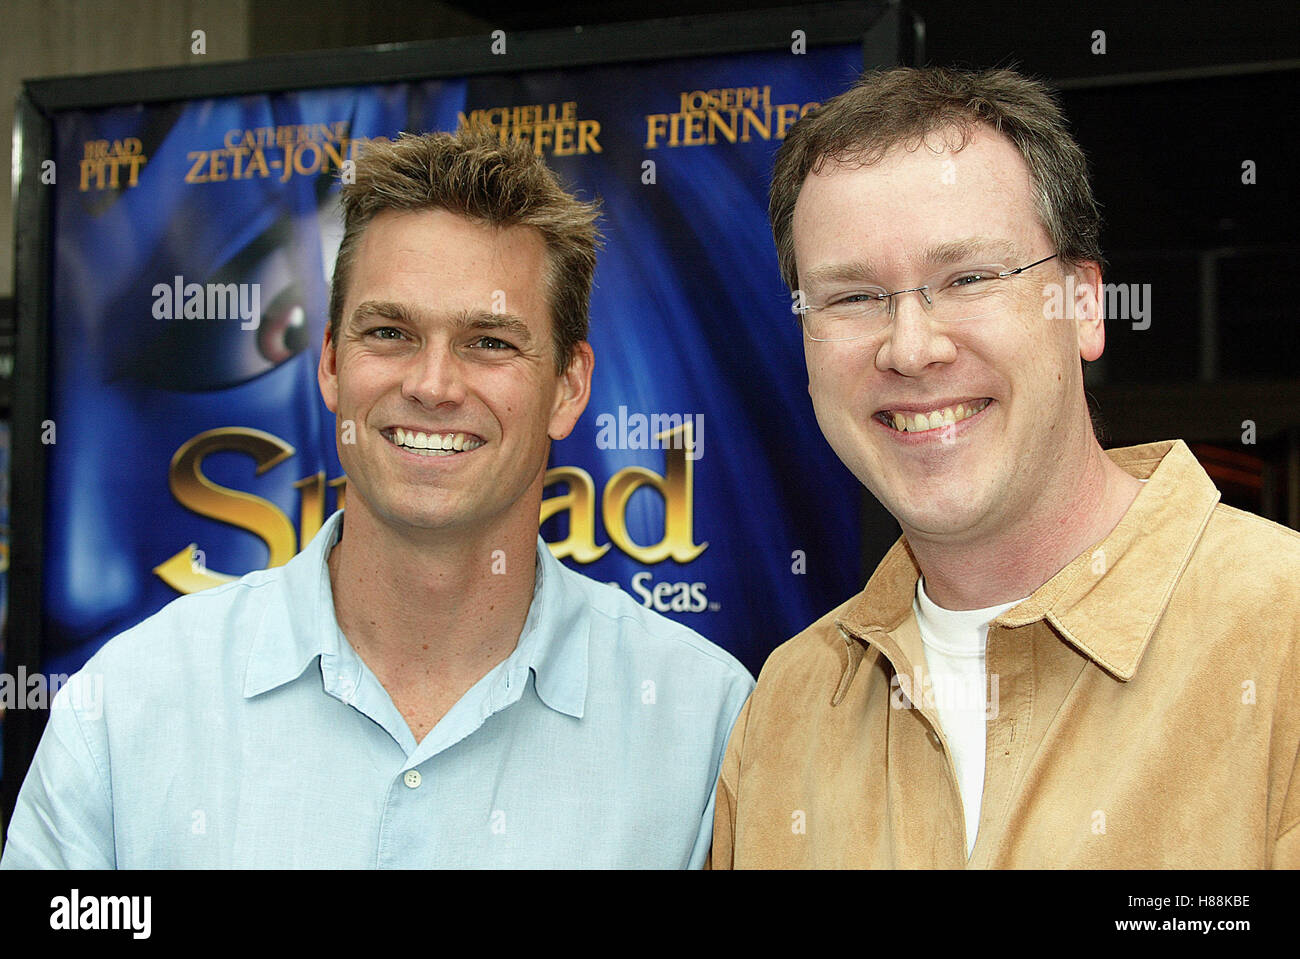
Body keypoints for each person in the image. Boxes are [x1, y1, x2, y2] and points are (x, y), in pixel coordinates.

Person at [2, 127, 753, 869]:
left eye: (489, 341)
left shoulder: (703, 726)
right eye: (390, 331)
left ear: (570, 386)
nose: (431, 385)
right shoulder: (126, 706)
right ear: (330, 363)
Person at [710, 66, 1300, 868]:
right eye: (852, 297)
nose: (912, 348)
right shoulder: (786, 705)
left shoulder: (1282, 638)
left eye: (970, 279)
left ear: (1086, 305)